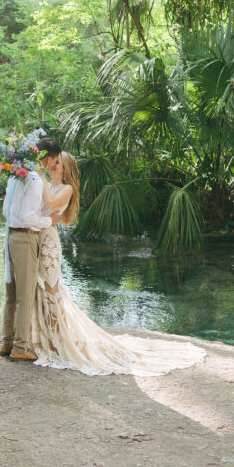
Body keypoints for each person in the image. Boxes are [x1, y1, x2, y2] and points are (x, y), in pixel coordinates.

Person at [32, 152, 206, 377]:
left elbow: (49, 203)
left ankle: (57, 342)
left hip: (49, 243)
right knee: (42, 290)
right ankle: (46, 337)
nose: (53, 166)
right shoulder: (47, 184)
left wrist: (38, 177)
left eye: (58, 164)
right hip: (38, 239)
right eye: (52, 162)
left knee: (52, 292)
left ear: (67, 170)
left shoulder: (66, 189)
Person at [1, 137, 61, 362]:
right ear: (44, 158)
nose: (52, 166)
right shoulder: (34, 179)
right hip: (25, 239)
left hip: (9, 236)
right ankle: (21, 347)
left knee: (11, 294)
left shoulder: (15, 176)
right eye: (52, 161)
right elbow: (28, 218)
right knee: (25, 295)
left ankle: (7, 342)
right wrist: (50, 221)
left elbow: (6, 211)